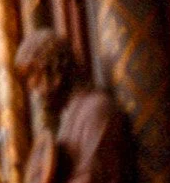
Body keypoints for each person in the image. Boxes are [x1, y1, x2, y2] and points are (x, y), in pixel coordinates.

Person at [13, 29, 131, 183]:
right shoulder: (68, 118)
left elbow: (93, 176)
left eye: (32, 73)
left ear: (52, 67)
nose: (30, 86)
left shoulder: (95, 109)